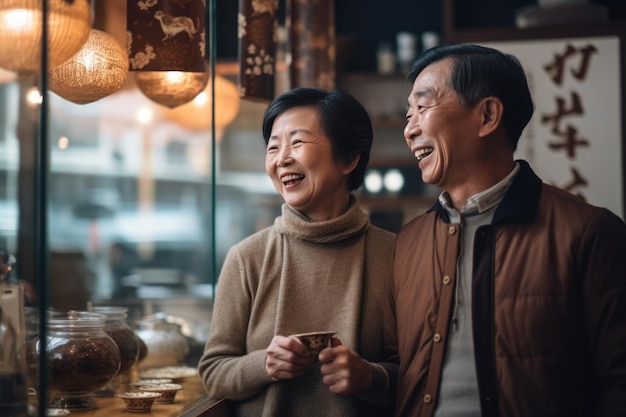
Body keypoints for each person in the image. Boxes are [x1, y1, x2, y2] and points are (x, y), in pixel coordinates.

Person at [386, 44, 626, 417]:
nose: (410, 128)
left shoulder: (588, 232)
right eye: (407, 114)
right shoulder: (407, 242)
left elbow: (618, 382)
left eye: (423, 107)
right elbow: (399, 370)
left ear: (487, 115)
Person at [198, 87, 398, 417]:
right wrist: (264, 364)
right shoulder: (248, 257)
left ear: (349, 158)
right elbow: (213, 373)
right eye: (273, 146)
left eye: (298, 142)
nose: (281, 159)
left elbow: (421, 375)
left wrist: (369, 378)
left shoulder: (394, 255)